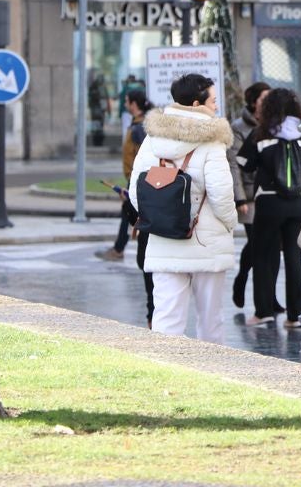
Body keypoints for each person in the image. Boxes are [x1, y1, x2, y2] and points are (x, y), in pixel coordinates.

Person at [128, 73, 238, 343]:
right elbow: (222, 193)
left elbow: (136, 192)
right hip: (206, 241)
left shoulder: (152, 139)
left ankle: (168, 375)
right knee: (210, 320)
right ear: (196, 103)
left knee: (166, 318)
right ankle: (211, 375)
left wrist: (159, 216)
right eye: (213, 101)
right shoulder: (212, 142)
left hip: (163, 238)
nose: (216, 107)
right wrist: (229, 224)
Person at [237, 88, 301, 328]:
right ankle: (296, 315)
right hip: (300, 202)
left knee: (263, 255)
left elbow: (244, 164)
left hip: (269, 201)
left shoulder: (261, 132)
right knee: (294, 255)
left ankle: (263, 311)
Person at [229, 82, 274, 310]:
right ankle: (243, 279)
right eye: (263, 97)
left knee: (270, 247)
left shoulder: (276, 123)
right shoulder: (239, 127)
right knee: (257, 244)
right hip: (249, 194)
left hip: (271, 192)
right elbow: (234, 164)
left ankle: (270, 298)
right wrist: (240, 198)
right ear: (253, 101)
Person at [96, 89, 153, 263]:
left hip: (138, 180)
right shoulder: (137, 124)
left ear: (134, 104)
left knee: (130, 214)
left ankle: (120, 249)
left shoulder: (140, 128)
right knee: (128, 213)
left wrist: (135, 183)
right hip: (134, 179)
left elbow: (144, 158)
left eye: (127, 101)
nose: (125, 104)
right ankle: (119, 247)